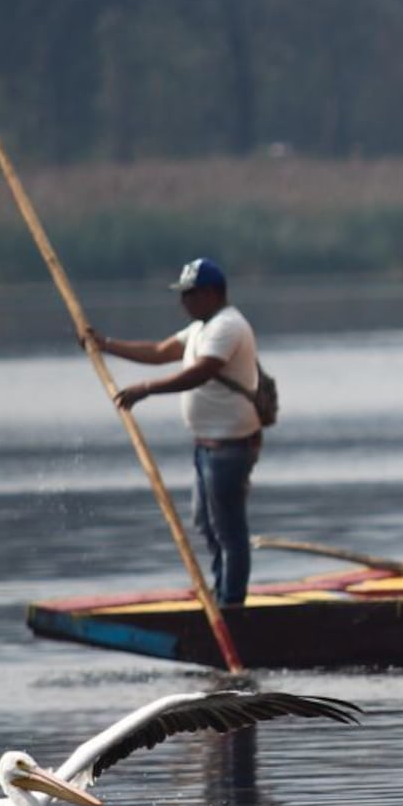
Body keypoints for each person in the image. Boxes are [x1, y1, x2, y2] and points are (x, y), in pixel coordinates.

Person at [87, 258, 263, 607]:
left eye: (190, 294)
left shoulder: (227, 326)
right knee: (207, 523)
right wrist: (105, 344)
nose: (183, 302)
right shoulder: (201, 327)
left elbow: (200, 372)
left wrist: (147, 389)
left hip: (230, 447)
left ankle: (231, 603)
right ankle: (221, 589)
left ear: (211, 293)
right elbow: (159, 351)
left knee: (228, 529)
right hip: (207, 446)